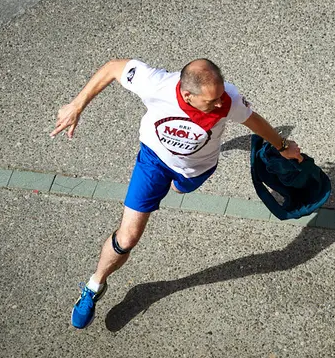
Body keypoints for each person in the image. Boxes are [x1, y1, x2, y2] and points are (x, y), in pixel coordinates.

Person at [50, 58, 302, 329]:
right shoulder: (156, 84)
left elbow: (253, 121)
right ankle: (94, 285)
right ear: (186, 95)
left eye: (220, 96)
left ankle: (174, 185)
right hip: (153, 162)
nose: (220, 104)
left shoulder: (228, 98)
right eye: (212, 101)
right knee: (128, 237)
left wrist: (283, 144)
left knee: (179, 188)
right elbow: (112, 68)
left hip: (196, 170)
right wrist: (77, 105)